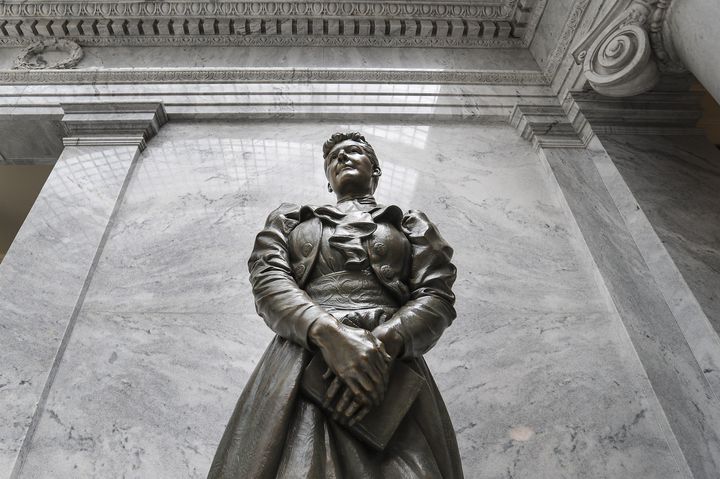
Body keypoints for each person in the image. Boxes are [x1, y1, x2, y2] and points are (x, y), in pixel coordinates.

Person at [208, 132, 463, 478]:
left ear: (376, 170)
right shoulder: (290, 220)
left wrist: (381, 346)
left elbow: (437, 294)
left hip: (391, 369)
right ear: (328, 181)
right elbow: (268, 282)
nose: (342, 158)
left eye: (354, 151)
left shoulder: (409, 225)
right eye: (333, 158)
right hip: (303, 363)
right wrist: (331, 336)